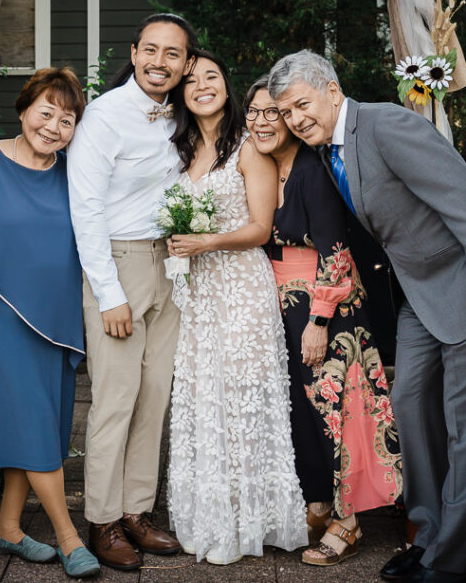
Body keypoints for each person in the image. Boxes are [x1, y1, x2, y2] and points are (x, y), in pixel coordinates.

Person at [267, 50, 466, 583]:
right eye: (287, 112)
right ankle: (427, 535)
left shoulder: (386, 124)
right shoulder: (326, 147)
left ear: (332, 90)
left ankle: (451, 561)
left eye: (302, 104)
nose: (296, 119)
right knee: (410, 408)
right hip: (420, 290)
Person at [245, 77, 402, 567]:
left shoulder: (313, 171)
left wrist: (319, 320)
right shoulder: (267, 169)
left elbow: (336, 252)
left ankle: (349, 521)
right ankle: (317, 503)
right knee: (300, 410)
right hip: (283, 305)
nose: (264, 121)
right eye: (255, 112)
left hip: (326, 307)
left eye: (276, 112)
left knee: (337, 412)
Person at [164, 51, 306, 565]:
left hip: (242, 287)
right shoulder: (178, 151)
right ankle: (212, 515)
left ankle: (255, 520)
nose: (203, 85)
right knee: (206, 398)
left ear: (227, 86)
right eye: (193, 79)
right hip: (197, 296)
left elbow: (260, 230)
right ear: (181, 91)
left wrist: (203, 242)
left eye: (213, 77)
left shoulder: (249, 148)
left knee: (245, 398)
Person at [66, 13, 196, 571]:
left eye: (173, 54)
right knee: (115, 401)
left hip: (170, 265)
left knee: (153, 398)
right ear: (135, 51)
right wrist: (108, 292)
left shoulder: (183, 114)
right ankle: (102, 519)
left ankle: (138, 512)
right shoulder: (103, 116)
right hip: (118, 265)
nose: (160, 62)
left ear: (186, 63)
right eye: (151, 50)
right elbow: (86, 208)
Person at [0, 67, 100, 579]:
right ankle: (68, 538)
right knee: (33, 421)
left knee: (42, 421)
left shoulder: (75, 172)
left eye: (67, 120)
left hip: (57, 317)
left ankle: (8, 527)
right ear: (23, 110)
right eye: (46, 112)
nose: (54, 127)